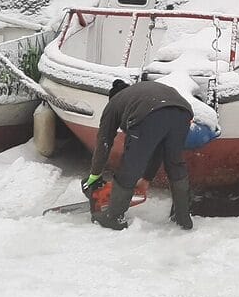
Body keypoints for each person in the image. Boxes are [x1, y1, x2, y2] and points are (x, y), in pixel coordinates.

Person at [81, 78, 195, 231]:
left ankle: (113, 216)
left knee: (131, 165)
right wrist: (147, 178)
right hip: (183, 112)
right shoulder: (137, 93)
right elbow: (157, 149)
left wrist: (94, 175)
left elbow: (104, 142)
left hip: (150, 113)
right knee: (175, 163)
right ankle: (183, 217)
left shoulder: (114, 104)